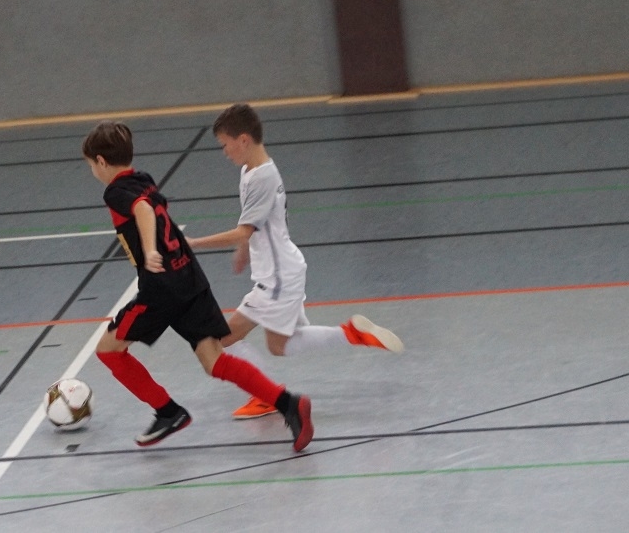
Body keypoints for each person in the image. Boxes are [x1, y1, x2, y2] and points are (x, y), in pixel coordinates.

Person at [82, 120, 313, 452]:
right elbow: (154, 208)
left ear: (102, 161)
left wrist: (149, 249)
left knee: (108, 349)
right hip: (188, 275)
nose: (93, 171)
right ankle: (288, 403)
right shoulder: (143, 179)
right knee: (214, 359)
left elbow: (143, 210)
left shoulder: (116, 192)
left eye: (91, 165)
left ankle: (167, 411)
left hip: (161, 289)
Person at [187, 103, 404, 420]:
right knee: (281, 345)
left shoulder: (262, 177)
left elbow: (244, 229)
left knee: (222, 339)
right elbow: (252, 223)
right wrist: (244, 249)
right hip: (280, 273)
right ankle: (350, 334)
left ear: (243, 140)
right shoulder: (249, 171)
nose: (224, 152)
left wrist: (194, 243)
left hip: (276, 279)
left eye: (225, 144)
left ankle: (266, 394)